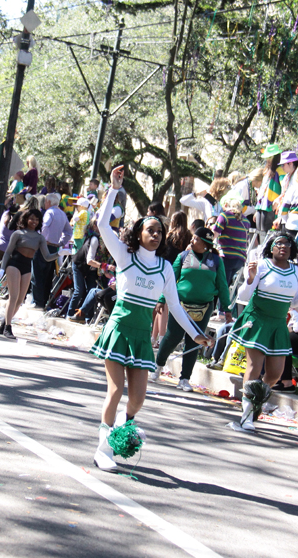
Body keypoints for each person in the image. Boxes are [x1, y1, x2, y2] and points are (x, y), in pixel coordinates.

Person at [91, 166, 211, 472]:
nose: (156, 235)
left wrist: (195, 334)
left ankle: (121, 426)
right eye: (150, 231)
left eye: (160, 232)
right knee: (115, 391)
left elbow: (176, 306)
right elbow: (102, 224)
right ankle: (103, 449)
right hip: (119, 330)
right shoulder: (124, 256)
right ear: (139, 234)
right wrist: (114, 189)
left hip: (142, 337)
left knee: (137, 400)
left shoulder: (165, 268)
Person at [229, 232, 298, 430]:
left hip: (278, 324)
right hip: (258, 320)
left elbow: (293, 302)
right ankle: (246, 415)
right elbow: (244, 296)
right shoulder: (262, 265)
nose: (283, 246)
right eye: (279, 243)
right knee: (254, 367)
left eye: (287, 243)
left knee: (275, 373)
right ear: (271, 247)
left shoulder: (295, 270)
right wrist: (250, 278)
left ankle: (256, 400)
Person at [152, 227, 230, 392]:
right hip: (180, 305)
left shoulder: (216, 261)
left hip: (204, 307)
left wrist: (227, 308)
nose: (192, 241)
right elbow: (170, 279)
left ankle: (185, 378)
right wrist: (162, 299)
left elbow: (222, 285)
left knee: (194, 341)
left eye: (196, 239)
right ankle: (158, 366)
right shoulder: (183, 256)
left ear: (205, 243)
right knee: (172, 337)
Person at [0, 208, 61, 339]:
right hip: (14, 264)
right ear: (26, 219)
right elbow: (8, 252)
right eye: (32, 218)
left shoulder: (40, 238)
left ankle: (5, 322)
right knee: (13, 297)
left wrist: (59, 253)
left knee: (20, 300)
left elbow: (47, 257)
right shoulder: (18, 233)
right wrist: (2, 269)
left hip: (27, 266)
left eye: (37, 219)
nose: (34, 221)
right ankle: (8, 328)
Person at [152, 211, 191, 347]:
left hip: (166, 270)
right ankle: (155, 337)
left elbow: (164, 253)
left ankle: (159, 337)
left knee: (162, 305)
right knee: (165, 304)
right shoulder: (189, 237)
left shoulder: (169, 236)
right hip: (180, 272)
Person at [32, 192, 71, 309]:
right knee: (48, 275)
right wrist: (61, 243)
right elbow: (69, 232)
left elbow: (44, 226)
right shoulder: (63, 214)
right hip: (54, 246)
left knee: (37, 274)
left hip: (44, 245)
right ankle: (43, 301)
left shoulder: (49, 212)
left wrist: (41, 238)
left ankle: (37, 302)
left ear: (48, 202)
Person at [212, 191, 249, 285]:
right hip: (240, 258)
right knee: (227, 284)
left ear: (226, 205)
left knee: (221, 285)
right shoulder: (246, 220)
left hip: (226, 256)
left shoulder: (224, 216)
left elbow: (214, 235)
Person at [254, 144, 282, 232]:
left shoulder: (280, 170)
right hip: (261, 206)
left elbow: (285, 188)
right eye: (267, 157)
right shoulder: (266, 171)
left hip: (271, 207)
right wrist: (257, 209)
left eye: (271, 157)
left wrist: (278, 200)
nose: (268, 160)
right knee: (259, 232)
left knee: (267, 233)